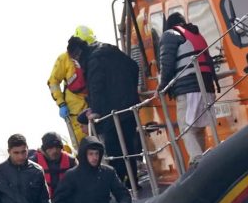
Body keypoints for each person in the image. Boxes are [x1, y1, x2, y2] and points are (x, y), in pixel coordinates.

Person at [70, 31, 143, 189]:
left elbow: (97, 86)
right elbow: (134, 66)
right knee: (129, 146)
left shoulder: (93, 60)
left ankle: (119, 187)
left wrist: (95, 110)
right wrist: (130, 90)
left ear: (77, 54)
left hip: (112, 113)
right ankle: (133, 182)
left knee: (113, 151)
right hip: (129, 107)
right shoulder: (109, 49)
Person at [157, 12, 218, 159]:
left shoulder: (170, 35)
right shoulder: (197, 35)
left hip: (188, 88)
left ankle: (197, 160)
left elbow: (167, 63)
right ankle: (202, 159)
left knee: (186, 128)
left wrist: (162, 87)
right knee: (198, 127)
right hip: (207, 87)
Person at [48, 25, 93, 146]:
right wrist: (61, 104)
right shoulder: (64, 58)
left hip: (94, 107)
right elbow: (53, 82)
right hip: (74, 112)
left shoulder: (94, 57)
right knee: (82, 145)